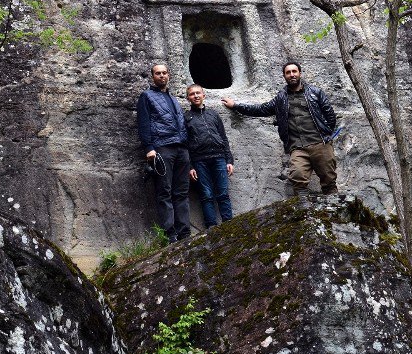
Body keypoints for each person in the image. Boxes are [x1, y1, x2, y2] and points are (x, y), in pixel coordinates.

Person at [222, 61, 339, 197]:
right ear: (284, 76)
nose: (292, 75)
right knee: (297, 178)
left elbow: (330, 116)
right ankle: (305, 212)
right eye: (288, 73)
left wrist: (326, 135)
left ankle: (336, 210)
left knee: (329, 180)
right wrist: (236, 105)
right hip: (298, 148)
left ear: (300, 73)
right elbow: (261, 109)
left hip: (320, 144)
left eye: (294, 71)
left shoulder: (316, 92)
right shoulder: (281, 98)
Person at [136, 63, 191, 242]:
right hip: (162, 148)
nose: (162, 76)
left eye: (164, 73)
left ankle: (184, 232)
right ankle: (170, 233)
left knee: (182, 192)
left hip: (181, 148)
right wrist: (149, 148)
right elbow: (143, 123)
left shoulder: (173, 99)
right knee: (164, 192)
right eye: (158, 73)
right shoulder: (146, 96)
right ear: (153, 76)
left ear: (169, 75)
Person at [184, 84, 234, 228]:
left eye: (198, 93)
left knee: (223, 193)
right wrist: (190, 166)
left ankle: (229, 225)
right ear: (188, 98)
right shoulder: (186, 118)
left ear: (204, 95)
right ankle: (211, 229)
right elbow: (185, 144)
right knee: (206, 195)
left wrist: (229, 160)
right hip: (199, 160)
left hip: (219, 157)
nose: (196, 96)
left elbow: (223, 138)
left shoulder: (213, 114)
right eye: (192, 94)